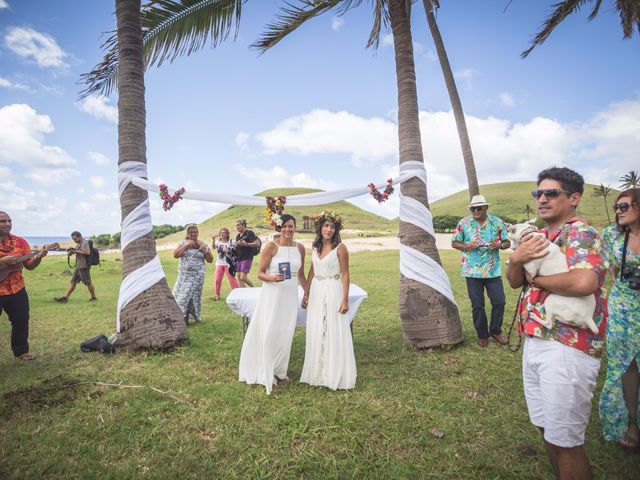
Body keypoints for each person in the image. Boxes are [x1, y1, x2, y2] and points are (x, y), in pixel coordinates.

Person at [506, 167, 607, 479]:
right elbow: (513, 282)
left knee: (566, 443)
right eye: (539, 193)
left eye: (552, 193)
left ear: (574, 198)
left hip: (567, 345)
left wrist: (537, 277)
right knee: (546, 428)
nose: (543, 199)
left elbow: (583, 281)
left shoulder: (581, 234)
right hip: (536, 340)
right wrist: (516, 258)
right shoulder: (542, 237)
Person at [239, 214, 306, 394]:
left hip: (290, 297)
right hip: (273, 295)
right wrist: (272, 278)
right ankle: (266, 371)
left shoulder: (300, 248)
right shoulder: (271, 246)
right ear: (279, 227)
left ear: (295, 226)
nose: (288, 229)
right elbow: (260, 273)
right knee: (270, 331)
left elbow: (300, 275)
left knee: (286, 332)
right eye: (284, 226)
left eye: (291, 226)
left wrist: (307, 293)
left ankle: (280, 371)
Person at [599, 187, 640, 452]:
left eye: (624, 206)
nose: (618, 211)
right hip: (623, 308)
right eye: (617, 206)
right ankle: (631, 423)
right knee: (626, 365)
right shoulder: (612, 237)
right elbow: (609, 268)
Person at [301, 211, 356, 390]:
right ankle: (317, 372)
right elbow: (312, 270)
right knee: (317, 327)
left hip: (333, 288)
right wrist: (306, 293)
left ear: (336, 229)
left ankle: (333, 372)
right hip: (316, 290)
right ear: (320, 227)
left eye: (332, 226)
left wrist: (345, 299)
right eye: (326, 226)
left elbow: (346, 274)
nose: (329, 229)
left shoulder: (340, 248)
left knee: (332, 327)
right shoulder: (315, 246)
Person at [451, 195, 511, 347]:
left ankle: (495, 331)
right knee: (477, 305)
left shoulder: (497, 222)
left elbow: (507, 242)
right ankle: (482, 335)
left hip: (492, 270)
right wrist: (467, 246)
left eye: (479, 208)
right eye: (473, 208)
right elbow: (454, 243)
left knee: (499, 302)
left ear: (486, 208)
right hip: (472, 272)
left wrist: (498, 245)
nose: (475, 211)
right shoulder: (463, 223)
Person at [0, 211, 48, 360]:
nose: (8, 224)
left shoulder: (20, 242)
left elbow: (29, 265)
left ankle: (21, 351)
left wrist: (39, 257)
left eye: (9, 221)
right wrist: (3, 262)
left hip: (17, 288)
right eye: (3, 221)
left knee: (21, 319)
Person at [172, 224, 214, 324]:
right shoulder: (183, 242)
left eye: (195, 231)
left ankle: (193, 317)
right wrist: (186, 246)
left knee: (194, 297)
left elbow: (210, 260)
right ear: (187, 233)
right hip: (185, 276)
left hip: (198, 276)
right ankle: (182, 319)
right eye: (191, 232)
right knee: (183, 296)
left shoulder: (202, 244)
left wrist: (206, 251)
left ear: (198, 233)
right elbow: (175, 255)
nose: (193, 234)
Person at [54, 231, 97, 303]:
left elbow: (87, 252)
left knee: (88, 282)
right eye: (73, 239)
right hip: (78, 266)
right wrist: (73, 250)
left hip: (83, 266)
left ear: (80, 236)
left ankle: (94, 297)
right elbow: (79, 251)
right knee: (73, 281)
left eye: (75, 238)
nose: (74, 240)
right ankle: (65, 298)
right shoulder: (79, 244)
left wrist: (76, 251)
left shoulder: (84, 243)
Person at [212, 227, 240, 300]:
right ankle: (217, 295)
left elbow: (235, 251)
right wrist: (213, 239)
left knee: (232, 280)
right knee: (217, 280)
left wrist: (229, 250)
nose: (221, 234)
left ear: (227, 234)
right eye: (220, 233)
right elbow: (213, 247)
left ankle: (237, 294)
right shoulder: (218, 242)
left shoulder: (231, 242)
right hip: (219, 264)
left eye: (223, 233)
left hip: (228, 264)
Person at [234, 218, 259, 288]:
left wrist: (246, 244)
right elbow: (236, 248)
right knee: (239, 277)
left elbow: (256, 243)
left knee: (243, 277)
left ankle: (255, 288)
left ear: (243, 225)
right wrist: (236, 246)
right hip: (239, 258)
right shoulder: (238, 236)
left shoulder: (249, 232)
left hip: (247, 258)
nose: (237, 227)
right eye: (236, 226)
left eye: (238, 225)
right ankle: (243, 293)